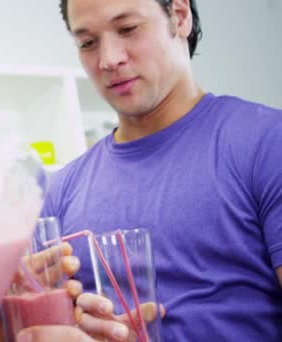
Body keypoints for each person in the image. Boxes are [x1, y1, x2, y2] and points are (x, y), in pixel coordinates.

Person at [41, 0, 282, 341]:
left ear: (179, 16)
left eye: (127, 29)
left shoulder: (269, 143)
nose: (109, 59)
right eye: (88, 43)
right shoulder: (62, 189)